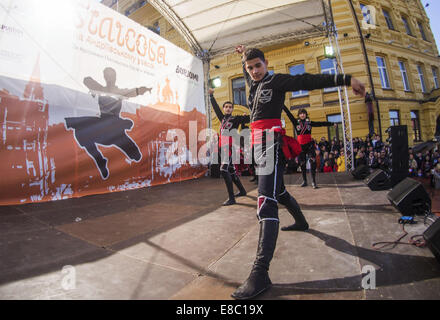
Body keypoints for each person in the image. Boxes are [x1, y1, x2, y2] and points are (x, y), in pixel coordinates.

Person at [231, 45, 365, 300]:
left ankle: (260, 273)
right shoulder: (254, 82)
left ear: (266, 63)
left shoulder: (276, 80)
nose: (254, 72)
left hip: (271, 143)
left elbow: (310, 79)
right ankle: (302, 221)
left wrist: (347, 79)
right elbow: (247, 73)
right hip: (259, 145)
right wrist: (243, 56)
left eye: (258, 66)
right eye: (250, 68)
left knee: (265, 202)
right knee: (278, 191)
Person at [65, 67, 150, 179]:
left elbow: (135, 92)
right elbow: (86, 79)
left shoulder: (120, 92)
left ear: (115, 78)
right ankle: (100, 160)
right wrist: (94, 88)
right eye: (107, 75)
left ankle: (127, 148)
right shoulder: (100, 89)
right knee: (80, 131)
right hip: (102, 126)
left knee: (137, 156)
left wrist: (144, 89)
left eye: (111, 76)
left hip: (116, 129)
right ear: (104, 77)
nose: (109, 78)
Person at [209, 88, 249, 205]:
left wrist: (246, 117)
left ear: (232, 109)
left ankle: (231, 198)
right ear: (224, 109)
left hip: (230, 147)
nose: (228, 108)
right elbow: (216, 108)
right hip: (222, 146)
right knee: (231, 170)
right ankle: (242, 190)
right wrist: (211, 96)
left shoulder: (235, 119)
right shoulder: (222, 118)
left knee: (223, 169)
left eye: (230, 107)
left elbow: (249, 118)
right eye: (226, 107)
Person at [283, 107, 337, 188]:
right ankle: (305, 181)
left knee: (313, 162)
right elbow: (289, 114)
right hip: (300, 146)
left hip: (309, 145)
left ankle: (313, 182)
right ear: (299, 115)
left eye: (304, 113)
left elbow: (320, 123)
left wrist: (332, 124)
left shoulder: (309, 123)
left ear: (306, 115)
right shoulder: (296, 122)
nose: (302, 115)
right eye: (301, 113)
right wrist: (283, 106)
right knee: (302, 164)